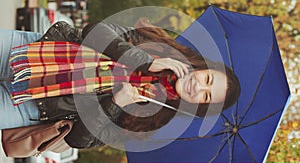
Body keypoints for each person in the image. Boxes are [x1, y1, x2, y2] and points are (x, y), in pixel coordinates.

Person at [2, 19, 241, 149]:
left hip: (29, 106)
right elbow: (94, 31)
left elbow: (78, 140)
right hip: (31, 52)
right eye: (207, 79)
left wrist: (116, 103)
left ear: (201, 105)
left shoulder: (153, 120)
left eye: (206, 96)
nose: (198, 87)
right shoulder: (157, 44)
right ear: (201, 68)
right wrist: (144, 61)